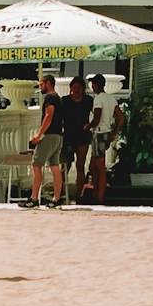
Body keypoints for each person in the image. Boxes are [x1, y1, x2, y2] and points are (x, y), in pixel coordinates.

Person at [53, 71, 93, 203]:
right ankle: (60, 193)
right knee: (65, 166)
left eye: (79, 88)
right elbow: (57, 117)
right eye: (74, 88)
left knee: (80, 166)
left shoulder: (88, 101)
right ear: (70, 88)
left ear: (83, 89)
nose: (76, 90)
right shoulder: (64, 101)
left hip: (83, 136)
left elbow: (97, 114)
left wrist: (92, 125)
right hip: (68, 137)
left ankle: (79, 194)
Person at [27, 72, 65, 207]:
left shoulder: (50, 97)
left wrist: (38, 135)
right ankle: (56, 198)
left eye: (41, 84)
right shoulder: (59, 98)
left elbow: (48, 116)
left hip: (49, 135)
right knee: (55, 166)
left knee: (36, 164)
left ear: (48, 83)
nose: (40, 87)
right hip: (59, 136)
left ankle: (34, 199)